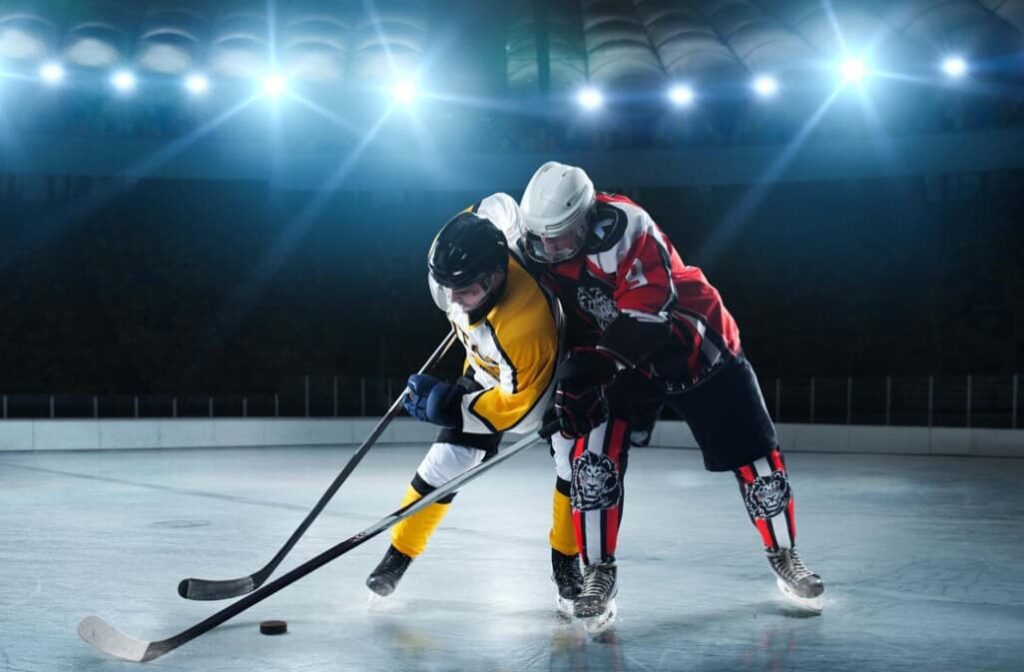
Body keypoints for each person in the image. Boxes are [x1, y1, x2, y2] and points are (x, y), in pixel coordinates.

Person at [514, 161, 825, 623]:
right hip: (620, 360)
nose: (551, 249)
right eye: (542, 238)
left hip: (694, 345)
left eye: (560, 236)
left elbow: (650, 312)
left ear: (586, 215)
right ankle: (598, 570)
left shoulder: (627, 226)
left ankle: (783, 552)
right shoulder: (534, 246)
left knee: (758, 460)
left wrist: (591, 370)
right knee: (591, 461)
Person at [365, 194, 583, 614]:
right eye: (448, 289)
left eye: (465, 292)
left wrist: (449, 408)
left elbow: (520, 409)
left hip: (546, 383)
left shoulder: (525, 325)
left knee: (571, 464)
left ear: (496, 277)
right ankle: (398, 555)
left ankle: (566, 564)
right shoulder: (453, 250)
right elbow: (500, 204)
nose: (453, 302)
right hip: (488, 367)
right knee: (443, 464)